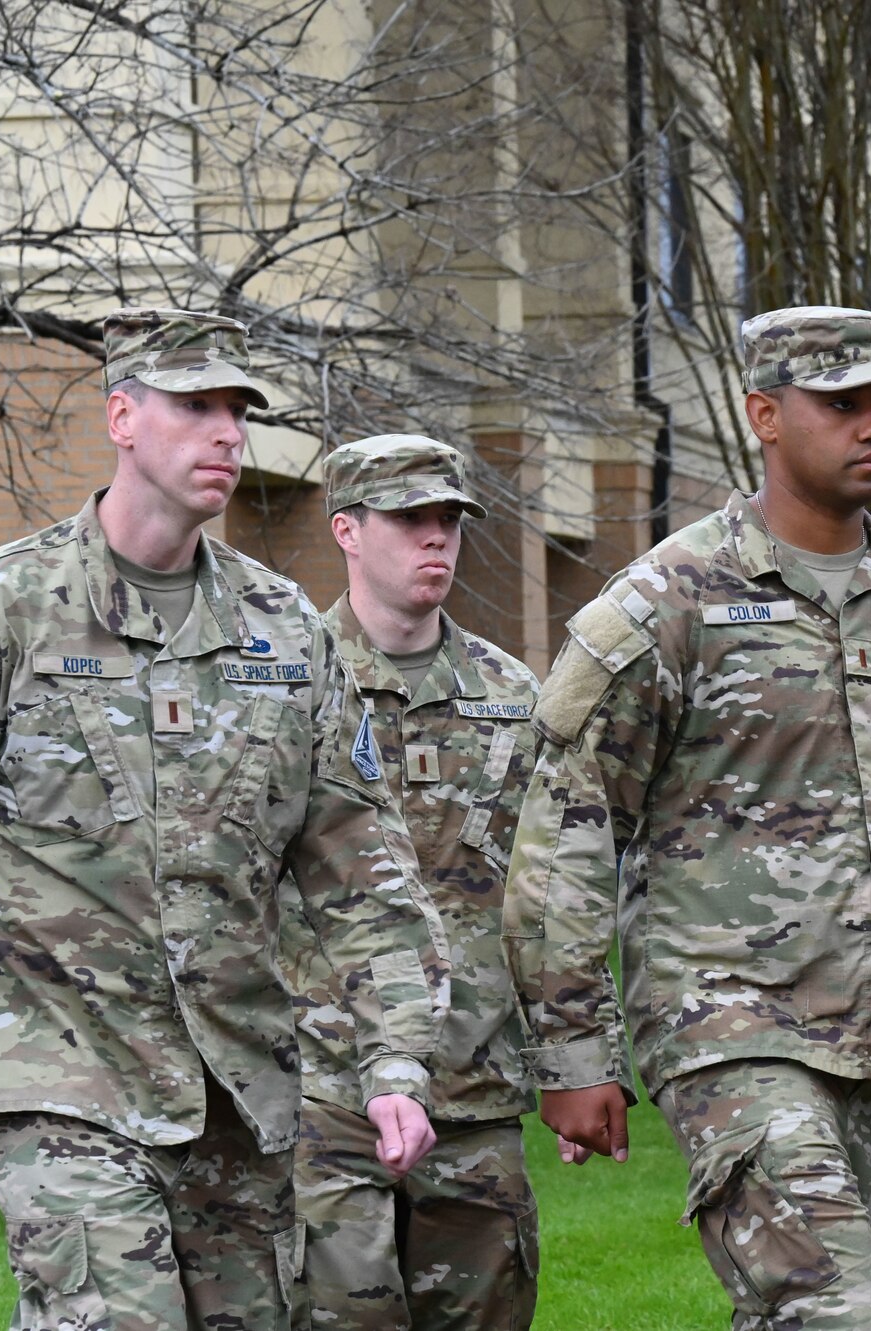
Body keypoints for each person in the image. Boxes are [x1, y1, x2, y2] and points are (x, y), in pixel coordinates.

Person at [503, 306, 871, 1331]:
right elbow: (567, 831)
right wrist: (573, 1052)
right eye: (840, 404)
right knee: (823, 1305)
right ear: (764, 414)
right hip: (731, 1023)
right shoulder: (669, 600)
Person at [0, 308, 444, 1330]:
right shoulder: (5, 610)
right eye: (197, 407)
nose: (228, 433)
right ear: (123, 417)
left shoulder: (282, 629)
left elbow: (362, 868)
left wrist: (395, 1061)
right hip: (61, 1069)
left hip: (240, 1085)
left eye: (240, 410)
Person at [284, 436, 541, 1329]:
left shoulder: (512, 695)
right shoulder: (285, 683)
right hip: (323, 1082)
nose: (436, 539)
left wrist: (584, 1058)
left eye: (448, 520)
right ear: (347, 530)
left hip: (475, 1084)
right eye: (409, 520)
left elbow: (548, 888)